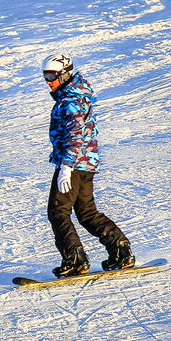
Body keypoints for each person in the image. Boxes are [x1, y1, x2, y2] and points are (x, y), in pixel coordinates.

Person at [41, 53, 135, 278]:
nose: (48, 80)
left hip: (73, 163)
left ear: (64, 74)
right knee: (86, 212)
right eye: (45, 75)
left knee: (58, 212)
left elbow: (75, 135)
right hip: (85, 163)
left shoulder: (72, 100)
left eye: (52, 75)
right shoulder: (73, 95)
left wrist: (66, 166)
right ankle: (120, 251)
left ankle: (75, 259)